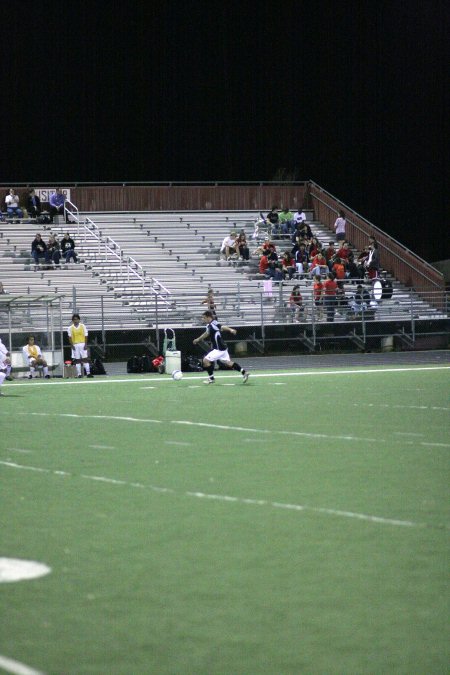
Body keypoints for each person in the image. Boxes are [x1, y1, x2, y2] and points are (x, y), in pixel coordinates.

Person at [193, 310, 249, 384]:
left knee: (205, 360)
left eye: (204, 318)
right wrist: (198, 339)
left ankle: (211, 379)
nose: (203, 319)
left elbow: (222, 327)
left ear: (208, 317)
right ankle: (244, 372)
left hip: (219, 349)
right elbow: (206, 333)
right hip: (223, 348)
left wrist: (230, 329)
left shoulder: (214, 323)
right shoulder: (209, 325)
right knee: (229, 363)